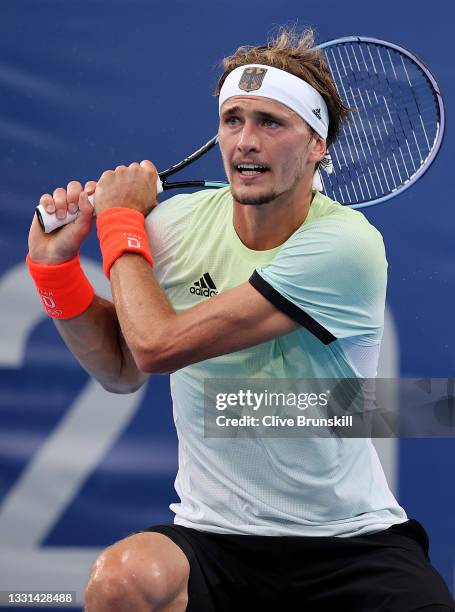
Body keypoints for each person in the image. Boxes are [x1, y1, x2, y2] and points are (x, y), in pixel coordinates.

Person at [27, 27, 454, 612]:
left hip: (349, 543)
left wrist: (120, 222)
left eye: (271, 123)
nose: (245, 141)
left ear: (317, 146)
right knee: (122, 581)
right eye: (233, 119)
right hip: (213, 539)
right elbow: (123, 367)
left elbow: (155, 346)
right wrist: (56, 271)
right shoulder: (175, 226)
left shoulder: (344, 245)